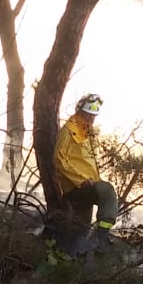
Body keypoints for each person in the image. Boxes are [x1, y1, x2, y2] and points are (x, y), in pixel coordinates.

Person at [52, 93, 119, 249]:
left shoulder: (85, 132)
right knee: (107, 191)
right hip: (76, 186)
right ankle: (102, 236)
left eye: (94, 115)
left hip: (85, 186)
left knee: (79, 230)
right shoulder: (69, 130)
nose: (91, 118)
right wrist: (80, 179)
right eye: (88, 114)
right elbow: (59, 158)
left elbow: (84, 162)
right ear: (80, 111)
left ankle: (70, 258)